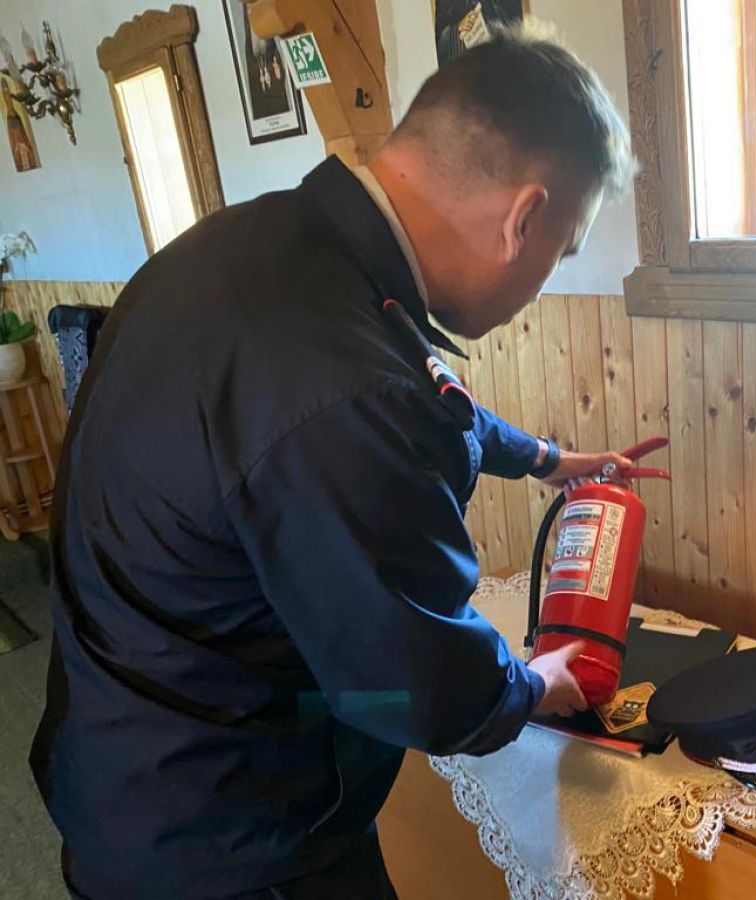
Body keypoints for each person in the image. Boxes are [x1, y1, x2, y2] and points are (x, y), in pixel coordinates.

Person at [30, 22, 635, 900]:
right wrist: (535, 683)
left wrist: (547, 459)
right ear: (524, 218)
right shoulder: (351, 386)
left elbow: (431, 394)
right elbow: (426, 693)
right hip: (231, 835)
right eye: (563, 250)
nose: (545, 281)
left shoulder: (256, 247)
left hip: (121, 751)